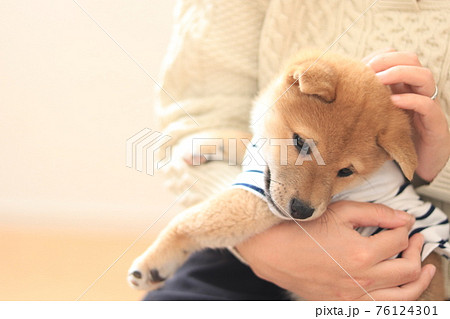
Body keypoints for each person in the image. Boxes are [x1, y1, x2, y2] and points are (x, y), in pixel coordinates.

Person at [144, 0, 450, 300]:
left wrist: (433, 167)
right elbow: (192, 125)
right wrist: (260, 243)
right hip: (245, 253)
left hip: (406, 267)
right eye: (302, 144)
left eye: (344, 171)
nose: (309, 195)